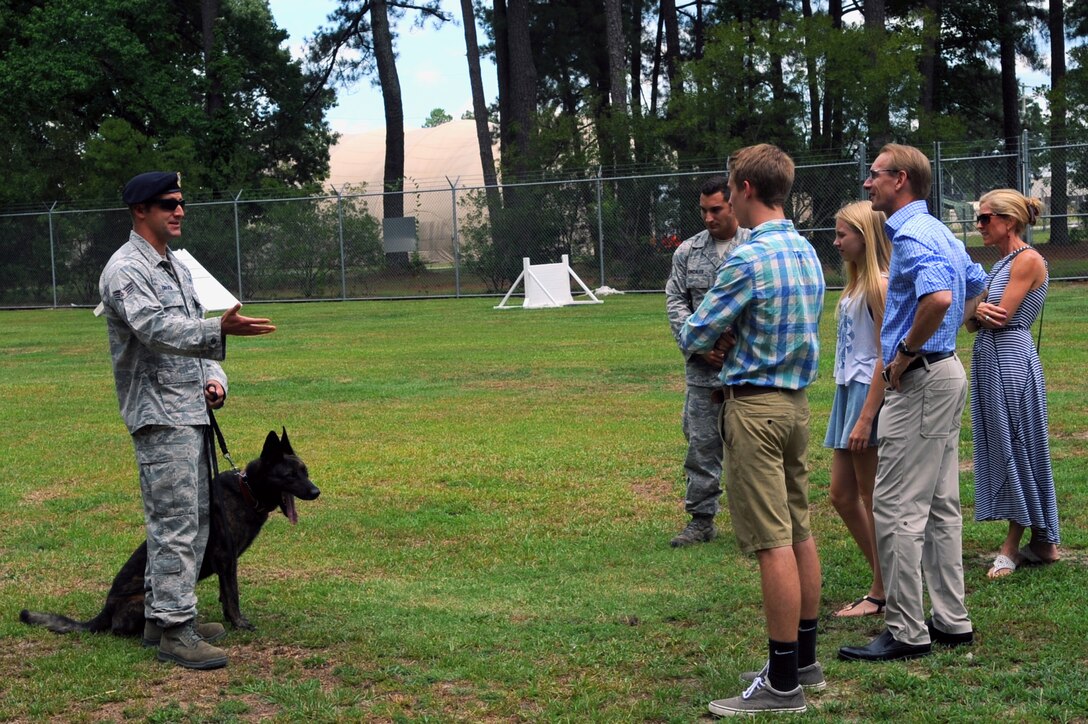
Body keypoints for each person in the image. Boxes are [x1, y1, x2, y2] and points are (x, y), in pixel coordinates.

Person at [98, 171, 276, 670]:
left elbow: (196, 335)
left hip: (190, 413)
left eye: (180, 203)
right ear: (140, 211)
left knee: (195, 522)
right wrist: (218, 329)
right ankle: (176, 631)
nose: (178, 211)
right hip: (159, 416)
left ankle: (162, 617)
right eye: (166, 204)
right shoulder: (126, 270)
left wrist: (216, 379)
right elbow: (155, 329)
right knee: (175, 523)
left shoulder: (174, 266)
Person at [680, 144, 826, 716]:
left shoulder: (746, 259)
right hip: (794, 407)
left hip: (755, 411)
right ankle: (804, 660)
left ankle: (783, 685)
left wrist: (720, 337)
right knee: (799, 529)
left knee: (771, 544)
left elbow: (696, 331)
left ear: (742, 188)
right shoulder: (807, 251)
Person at [839, 144, 986, 663]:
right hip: (946, 374)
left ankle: (906, 630)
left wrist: (904, 353)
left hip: (920, 380)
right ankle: (951, 620)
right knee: (942, 506)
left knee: (897, 507)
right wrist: (950, 338)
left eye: (873, 176)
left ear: (899, 179)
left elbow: (940, 297)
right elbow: (974, 283)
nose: (866, 184)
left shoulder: (908, 234)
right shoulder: (942, 230)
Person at [966, 189, 1059, 579]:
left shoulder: (1028, 259)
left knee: (1015, 444)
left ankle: (1012, 547)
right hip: (992, 359)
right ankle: (1042, 541)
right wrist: (977, 310)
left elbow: (999, 316)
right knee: (1005, 442)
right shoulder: (1001, 264)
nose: (979, 225)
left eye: (985, 218)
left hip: (1011, 362)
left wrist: (978, 310)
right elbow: (972, 321)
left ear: (1009, 221)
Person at [665, 176, 751, 547]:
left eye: (716, 209)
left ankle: (756, 523)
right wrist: (698, 346)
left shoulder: (754, 246)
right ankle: (701, 520)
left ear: (733, 204)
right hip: (703, 371)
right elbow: (675, 302)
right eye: (703, 210)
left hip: (747, 367)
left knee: (751, 448)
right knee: (701, 445)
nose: (708, 217)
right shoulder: (688, 252)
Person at [826, 201, 891, 617]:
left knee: (871, 497)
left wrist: (867, 415)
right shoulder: (854, 286)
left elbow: (887, 354)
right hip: (846, 392)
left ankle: (883, 590)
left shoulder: (879, 285)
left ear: (865, 237)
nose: (836, 242)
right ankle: (887, 579)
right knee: (842, 495)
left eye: (842, 234)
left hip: (868, 395)